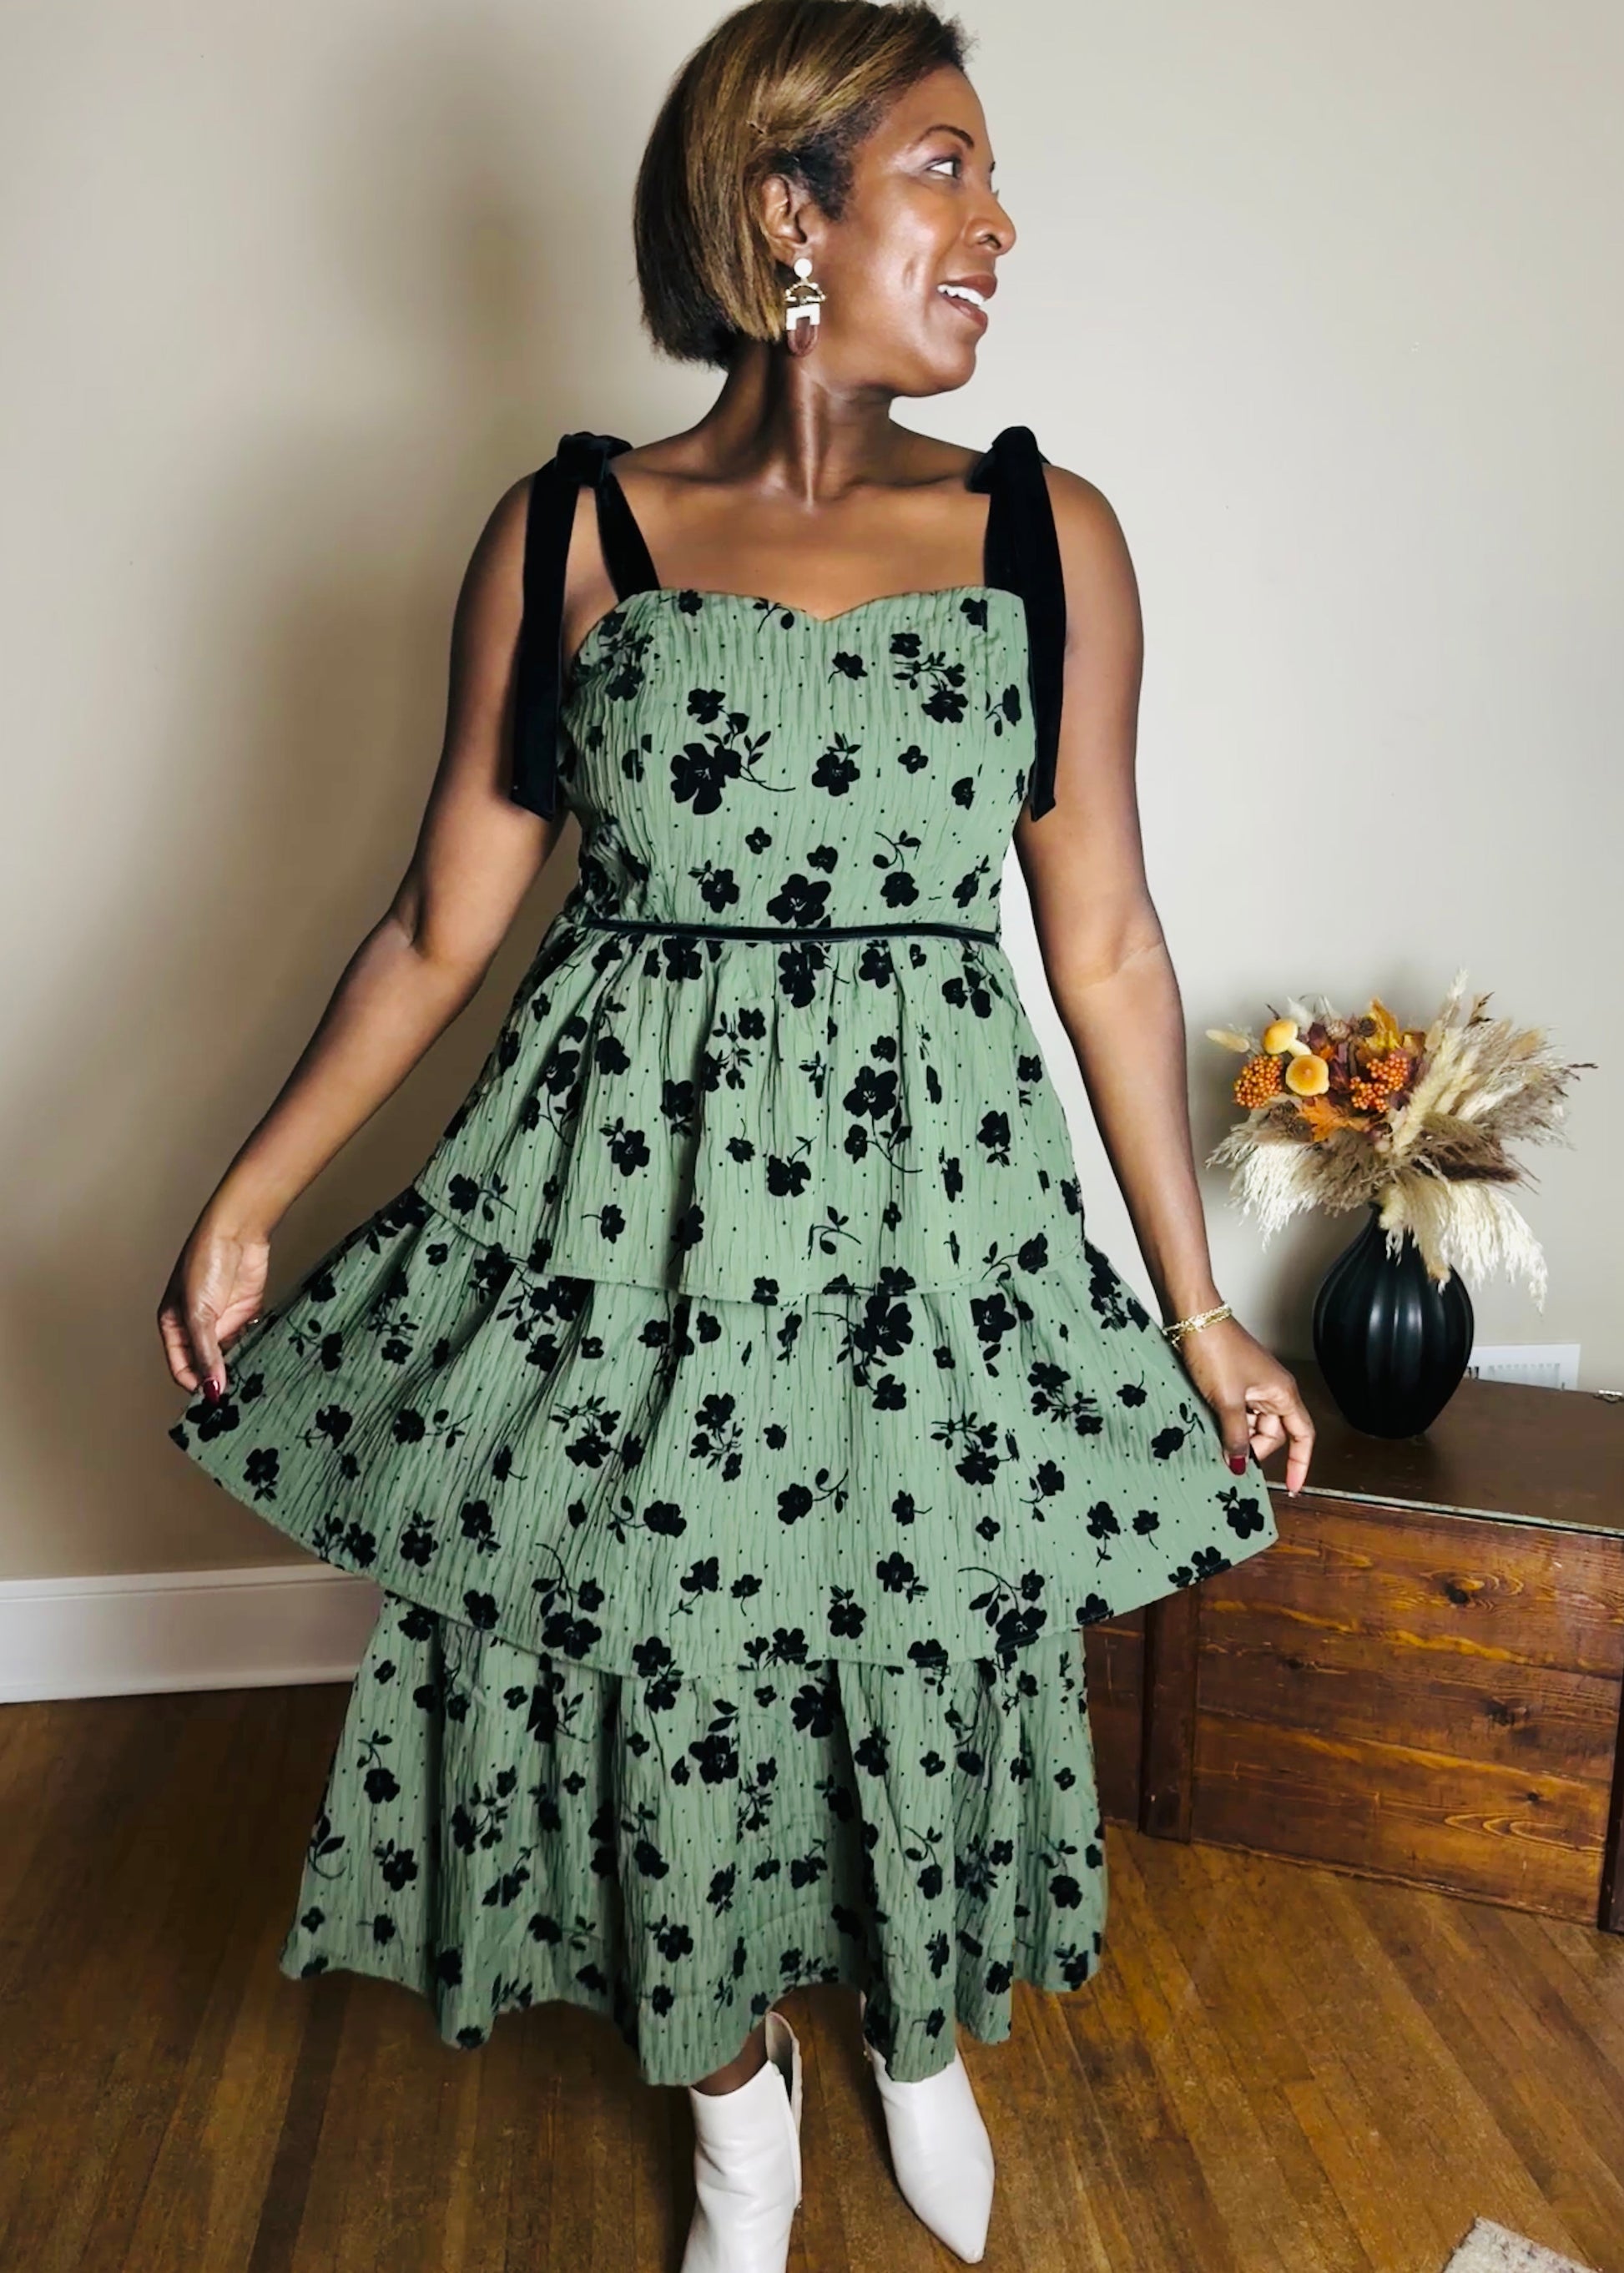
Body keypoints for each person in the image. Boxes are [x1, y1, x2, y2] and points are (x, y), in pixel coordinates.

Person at [159, 1, 1314, 2264]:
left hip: (925, 1242)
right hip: (622, 1232)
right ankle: (737, 2113)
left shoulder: (1040, 533)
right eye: (943, 173)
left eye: (989, 183)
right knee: (647, 1671)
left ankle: (905, 2028)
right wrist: (245, 1202)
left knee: (918, 1648)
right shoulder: (571, 527)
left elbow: (1107, 948)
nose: (997, 226)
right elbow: (434, 920)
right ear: (786, 211)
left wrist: (1192, 1310)